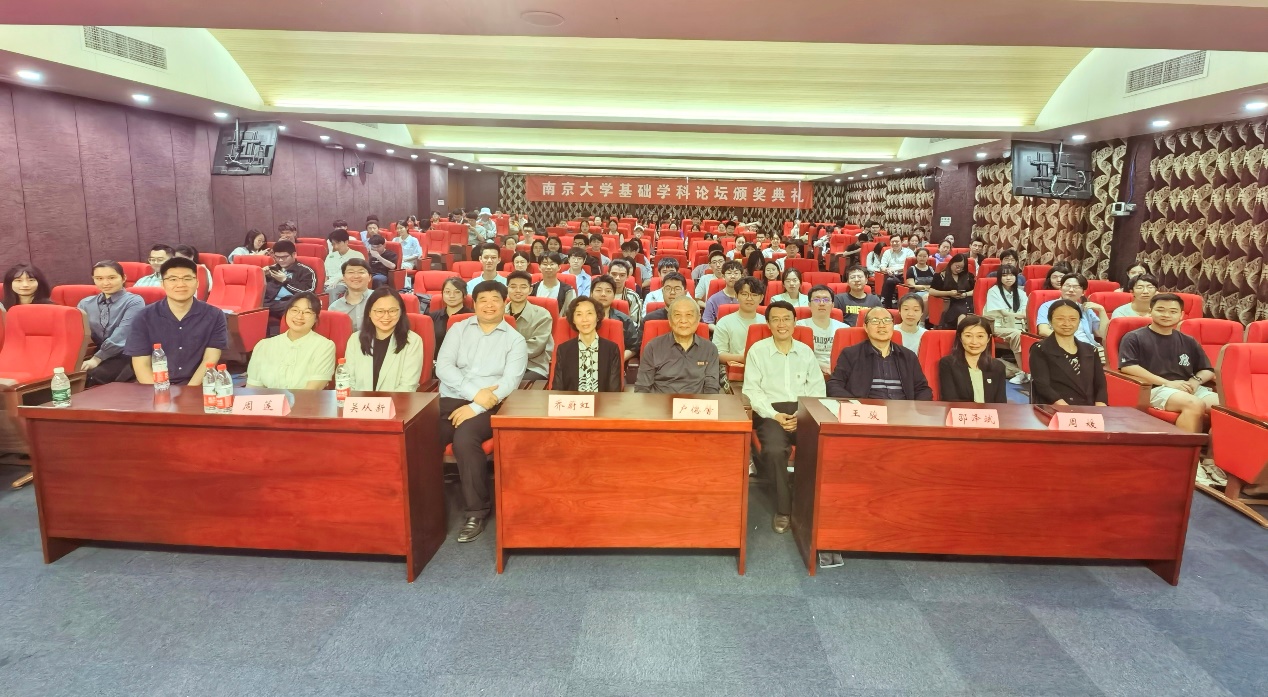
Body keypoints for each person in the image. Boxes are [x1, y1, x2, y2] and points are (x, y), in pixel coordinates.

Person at [436, 280, 528, 543]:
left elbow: (510, 382)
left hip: (492, 406)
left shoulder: (515, 340)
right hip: (452, 399)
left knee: (465, 439)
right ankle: (423, 506)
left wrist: (476, 406)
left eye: (495, 299)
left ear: (505, 303)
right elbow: (443, 367)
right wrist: (475, 394)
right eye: (483, 300)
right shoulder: (458, 329)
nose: (489, 305)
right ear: (474, 304)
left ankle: (476, 511)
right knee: (419, 434)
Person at [743, 301, 826, 534]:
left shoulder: (805, 352)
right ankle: (784, 509)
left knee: (821, 447)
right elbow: (752, 391)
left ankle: (810, 501)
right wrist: (775, 415)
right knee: (774, 450)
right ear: (768, 324)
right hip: (770, 412)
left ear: (795, 322)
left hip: (804, 412)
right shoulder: (758, 351)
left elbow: (817, 389)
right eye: (776, 319)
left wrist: (802, 415)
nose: (782, 324)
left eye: (786, 318)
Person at [1118, 293, 1216, 434]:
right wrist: (1167, 383)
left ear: (1181, 315)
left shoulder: (1188, 340)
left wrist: (1194, 381)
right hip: (1154, 388)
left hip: (1186, 386)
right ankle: (1185, 448)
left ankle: (1213, 449)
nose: (1166, 315)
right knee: (1193, 404)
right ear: (1150, 311)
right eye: (1160, 310)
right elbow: (1128, 366)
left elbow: (1207, 369)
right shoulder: (1134, 337)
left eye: (1173, 311)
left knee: (1223, 408)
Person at [124, 256, 227, 387]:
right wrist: (160, 393)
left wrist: (189, 391)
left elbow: (210, 359)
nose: (181, 284)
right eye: (173, 279)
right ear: (162, 284)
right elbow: (141, 365)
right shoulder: (143, 316)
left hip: (199, 386)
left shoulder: (214, 315)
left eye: (187, 279)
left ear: (197, 283)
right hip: (154, 386)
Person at [827, 306, 931, 399]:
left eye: (887, 320)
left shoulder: (908, 356)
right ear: (865, 327)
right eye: (875, 321)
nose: (882, 325)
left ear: (893, 326)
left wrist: (914, 409)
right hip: (867, 411)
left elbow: (922, 389)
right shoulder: (850, 354)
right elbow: (834, 385)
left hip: (902, 411)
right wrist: (855, 405)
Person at [246, 292, 336, 390]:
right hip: (268, 400)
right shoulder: (263, 346)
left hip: (306, 400)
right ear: (286, 313)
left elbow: (312, 391)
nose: (299, 316)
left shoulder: (324, 346)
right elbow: (252, 390)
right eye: (294, 310)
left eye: (307, 312)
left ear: (316, 319)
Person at [77, 261, 145, 385]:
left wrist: (97, 359)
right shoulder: (85, 303)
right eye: (99, 278)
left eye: (112, 278)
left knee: (90, 377)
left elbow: (123, 334)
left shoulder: (134, 301)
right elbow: (78, 334)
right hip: (97, 351)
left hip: (127, 354)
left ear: (123, 278)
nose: (105, 283)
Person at [1029, 299, 1108, 406]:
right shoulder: (1040, 349)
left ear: (1079, 322)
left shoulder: (1091, 350)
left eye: (1073, 319)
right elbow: (1043, 386)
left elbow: (1101, 386)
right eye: (1060, 319)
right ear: (1050, 321)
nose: (1067, 324)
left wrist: (1100, 409)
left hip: (1090, 409)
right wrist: (1069, 410)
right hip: (1057, 408)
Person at [635, 297, 720, 394]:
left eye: (689, 315)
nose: (683, 320)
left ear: (698, 319)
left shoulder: (710, 349)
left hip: (696, 402)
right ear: (670, 319)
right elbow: (642, 388)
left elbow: (711, 388)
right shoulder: (653, 347)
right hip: (661, 401)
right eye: (677, 315)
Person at [550, 296, 622, 393]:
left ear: (597, 317)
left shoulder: (611, 349)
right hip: (573, 401)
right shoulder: (564, 349)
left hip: (602, 401)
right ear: (573, 320)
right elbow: (557, 388)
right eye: (579, 314)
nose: (584, 319)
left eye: (589, 313)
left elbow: (614, 390)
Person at [938, 315, 1007, 404]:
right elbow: (950, 399)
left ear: (988, 338)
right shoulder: (948, 364)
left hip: (990, 413)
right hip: (961, 412)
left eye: (980, 336)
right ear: (960, 337)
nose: (974, 342)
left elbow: (1001, 403)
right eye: (968, 336)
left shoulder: (998, 367)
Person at [713, 277, 767, 384]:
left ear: (761, 298)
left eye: (754, 295)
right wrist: (744, 358)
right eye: (744, 294)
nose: (749, 298)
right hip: (736, 373)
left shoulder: (768, 323)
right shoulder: (724, 322)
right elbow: (718, 354)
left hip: (765, 373)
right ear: (736, 296)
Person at [1036, 273, 1107, 349]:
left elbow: (1103, 334)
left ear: (1083, 292)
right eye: (1067, 286)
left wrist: (1101, 310)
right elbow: (1043, 330)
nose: (1071, 290)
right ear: (1061, 288)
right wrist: (1071, 341)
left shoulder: (1086, 309)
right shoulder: (1047, 306)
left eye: (1076, 287)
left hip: (1090, 348)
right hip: (1062, 347)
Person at [504, 271, 552, 381]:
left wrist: (505, 352)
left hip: (532, 366)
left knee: (512, 383)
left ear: (530, 290)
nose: (518, 290)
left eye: (523, 287)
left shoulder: (542, 315)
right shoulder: (498, 314)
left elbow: (536, 347)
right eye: (513, 287)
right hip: (502, 366)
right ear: (507, 289)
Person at [262, 240, 317, 335]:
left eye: (284, 257)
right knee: (253, 309)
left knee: (291, 308)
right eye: (277, 257)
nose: (280, 260)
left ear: (294, 255)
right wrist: (261, 276)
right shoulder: (272, 269)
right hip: (270, 303)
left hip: (290, 303)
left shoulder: (305, 271)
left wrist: (285, 280)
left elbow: (308, 292)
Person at [982, 264, 1028, 369]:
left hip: (1017, 326)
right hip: (997, 326)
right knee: (1017, 334)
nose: (1008, 278)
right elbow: (1004, 313)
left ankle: (1028, 369)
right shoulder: (993, 291)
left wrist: (1022, 316)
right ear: (999, 277)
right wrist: (1021, 315)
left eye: (1011, 275)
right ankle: (1023, 370)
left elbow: (1025, 313)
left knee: (1030, 335)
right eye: (1004, 275)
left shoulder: (1021, 293)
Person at [588, 274, 639, 362]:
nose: (603, 294)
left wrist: (618, 360)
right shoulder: (580, 317)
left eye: (608, 291)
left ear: (614, 295)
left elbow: (633, 347)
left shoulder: (624, 320)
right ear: (591, 294)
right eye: (598, 290)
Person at [797, 284, 847, 374]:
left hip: (839, 371)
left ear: (832, 305)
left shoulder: (844, 328)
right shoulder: (800, 326)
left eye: (826, 300)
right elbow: (797, 355)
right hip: (808, 370)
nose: (822, 303)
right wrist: (820, 365)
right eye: (816, 300)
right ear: (809, 304)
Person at [427, 276, 473, 350]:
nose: (451, 296)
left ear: (464, 295)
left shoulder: (473, 317)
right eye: (447, 292)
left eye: (457, 292)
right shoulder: (432, 317)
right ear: (442, 294)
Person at [930, 253, 974, 329]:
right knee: (961, 313)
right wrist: (949, 293)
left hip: (967, 300)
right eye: (957, 266)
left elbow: (975, 290)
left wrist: (965, 294)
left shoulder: (968, 276)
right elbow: (932, 291)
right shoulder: (940, 276)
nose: (959, 270)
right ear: (951, 263)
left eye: (962, 268)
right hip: (950, 303)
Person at [328, 258, 372, 331]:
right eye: (351, 272)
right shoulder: (334, 308)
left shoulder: (381, 299)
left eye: (361, 272)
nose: (356, 276)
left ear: (370, 277)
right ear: (343, 278)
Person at [702, 260, 745, 326]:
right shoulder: (713, 299)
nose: (732, 276)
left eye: (736, 273)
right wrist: (720, 330)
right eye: (729, 273)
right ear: (723, 276)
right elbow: (707, 322)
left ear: (741, 276)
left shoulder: (747, 297)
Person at [324, 230, 364, 299]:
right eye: (333, 244)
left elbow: (359, 274)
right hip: (329, 284)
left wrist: (340, 279)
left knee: (333, 291)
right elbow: (326, 275)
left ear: (346, 242)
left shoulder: (357, 255)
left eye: (338, 243)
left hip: (345, 284)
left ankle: (333, 307)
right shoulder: (330, 256)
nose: (336, 246)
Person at [607, 259, 643, 325]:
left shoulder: (633, 297)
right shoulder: (600, 295)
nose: (617, 278)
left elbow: (635, 324)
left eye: (622, 275)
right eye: (614, 274)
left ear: (627, 277)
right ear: (608, 274)